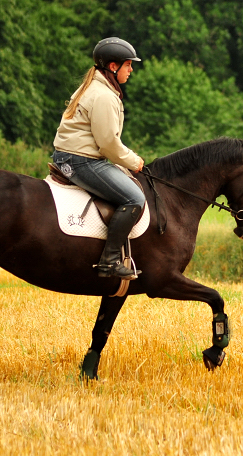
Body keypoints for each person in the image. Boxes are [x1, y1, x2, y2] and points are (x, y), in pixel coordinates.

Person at [53, 37, 145, 280]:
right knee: (135, 197)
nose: (131, 70)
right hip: (80, 160)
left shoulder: (96, 87)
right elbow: (108, 144)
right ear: (113, 67)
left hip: (74, 156)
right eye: (128, 65)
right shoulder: (103, 95)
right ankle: (110, 261)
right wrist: (133, 161)